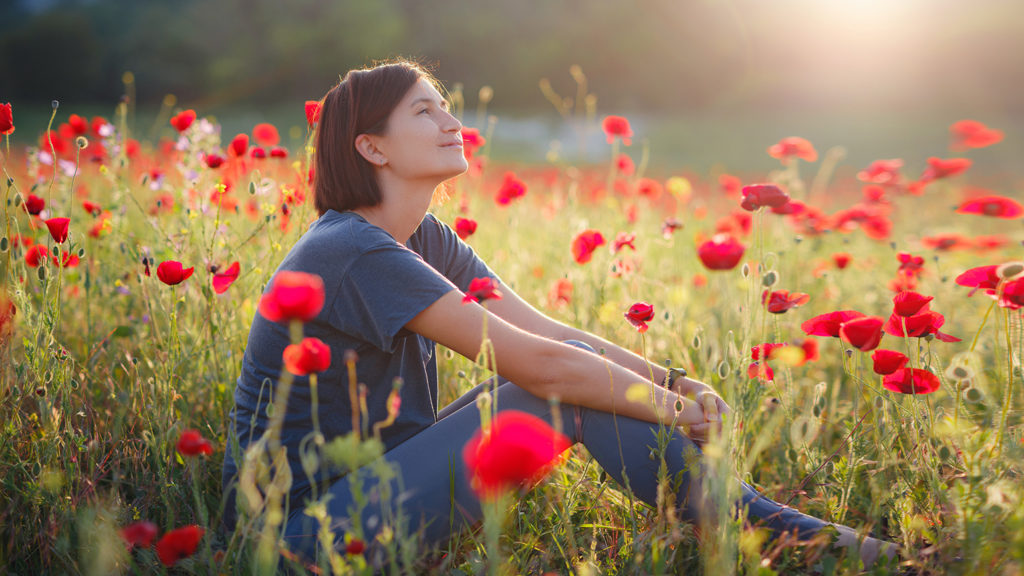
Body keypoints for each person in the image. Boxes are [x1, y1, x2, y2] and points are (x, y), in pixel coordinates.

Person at [221, 59, 896, 572]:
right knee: (558, 390)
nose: (453, 123)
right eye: (425, 112)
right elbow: (541, 366)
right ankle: (778, 533)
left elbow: (553, 335)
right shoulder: (351, 249)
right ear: (373, 147)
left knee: (578, 375)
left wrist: (672, 380)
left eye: (448, 107)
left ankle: (761, 523)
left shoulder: (424, 237)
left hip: (374, 485)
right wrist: (670, 411)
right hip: (296, 539)